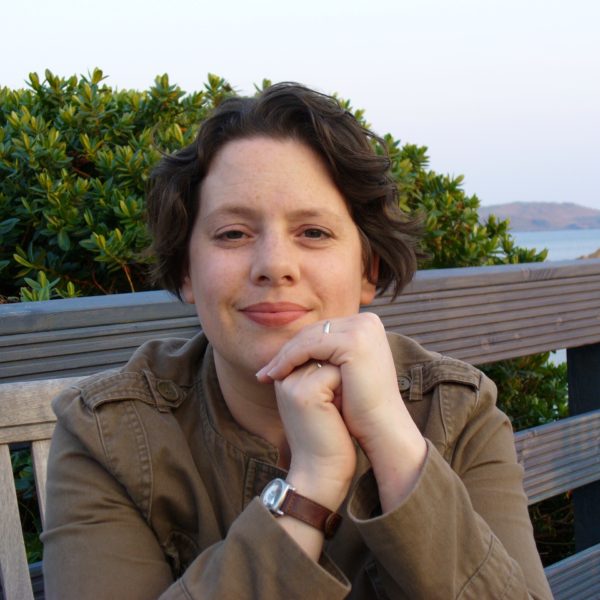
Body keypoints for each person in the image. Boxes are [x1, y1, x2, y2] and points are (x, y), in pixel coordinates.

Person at [42, 83, 552, 599]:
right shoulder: (108, 434)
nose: (275, 266)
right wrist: (311, 485)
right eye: (233, 234)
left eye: (313, 232)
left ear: (367, 270)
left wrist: (392, 441)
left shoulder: (456, 411)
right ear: (187, 272)